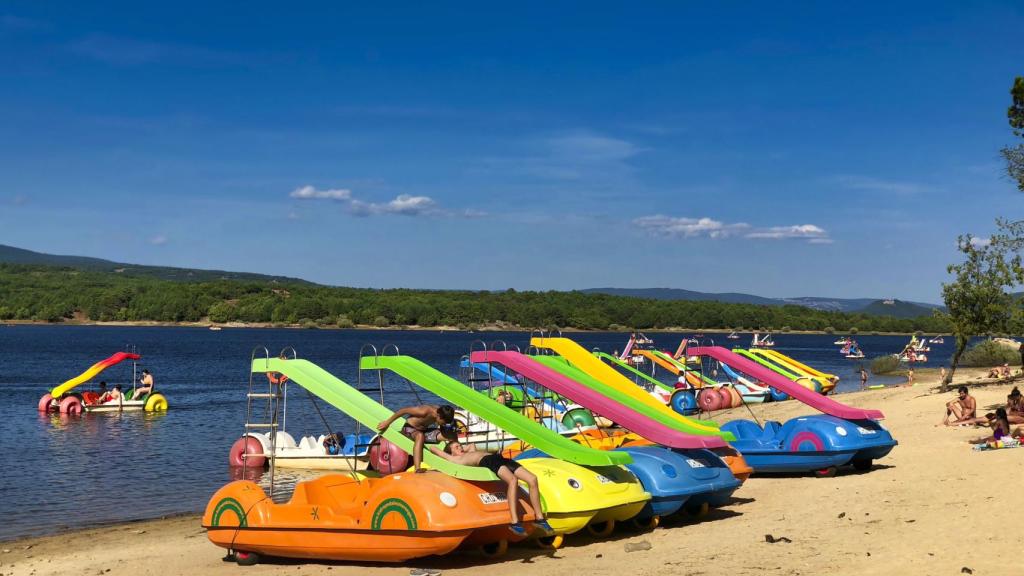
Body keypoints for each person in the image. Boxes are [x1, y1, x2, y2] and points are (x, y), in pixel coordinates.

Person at [428, 442, 554, 537]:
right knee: (513, 481)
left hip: (500, 458)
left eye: (460, 445)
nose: (460, 447)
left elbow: (472, 444)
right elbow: (433, 448)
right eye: (456, 447)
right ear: (450, 453)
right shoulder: (454, 459)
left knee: (532, 479)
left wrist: (461, 447)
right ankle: (514, 522)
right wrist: (446, 444)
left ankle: (540, 518)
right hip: (487, 461)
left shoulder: (468, 452)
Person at [377, 404, 458, 473]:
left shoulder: (443, 413)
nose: (444, 424)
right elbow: (403, 410)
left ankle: (456, 458)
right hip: (409, 430)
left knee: (452, 435)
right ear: (439, 416)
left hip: (423, 431)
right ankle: (417, 468)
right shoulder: (424, 411)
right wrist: (387, 422)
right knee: (420, 435)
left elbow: (447, 424)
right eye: (444, 422)